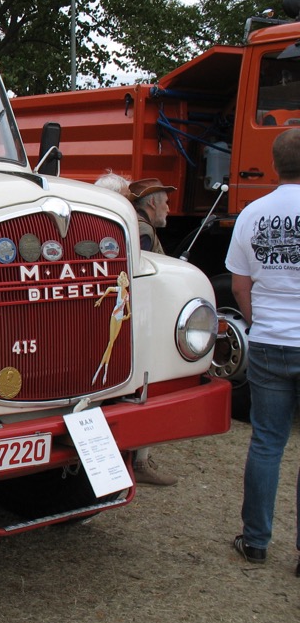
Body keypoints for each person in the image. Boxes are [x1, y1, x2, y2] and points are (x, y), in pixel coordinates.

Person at [225, 127, 300, 577]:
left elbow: (238, 284)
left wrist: (256, 323)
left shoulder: (253, 213)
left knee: (268, 442)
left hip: (270, 339)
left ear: (274, 164)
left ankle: (255, 541)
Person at [92, 174, 179, 486]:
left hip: (124, 314)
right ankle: (137, 459)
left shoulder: (136, 228)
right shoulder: (139, 231)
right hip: (132, 317)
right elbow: (134, 273)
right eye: (165, 202)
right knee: (141, 384)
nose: (169, 208)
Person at [129, 177, 175, 255]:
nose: (168, 209)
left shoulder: (133, 222)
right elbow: (140, 265)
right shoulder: (145, 230)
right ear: (152, 202)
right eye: (166, 202)